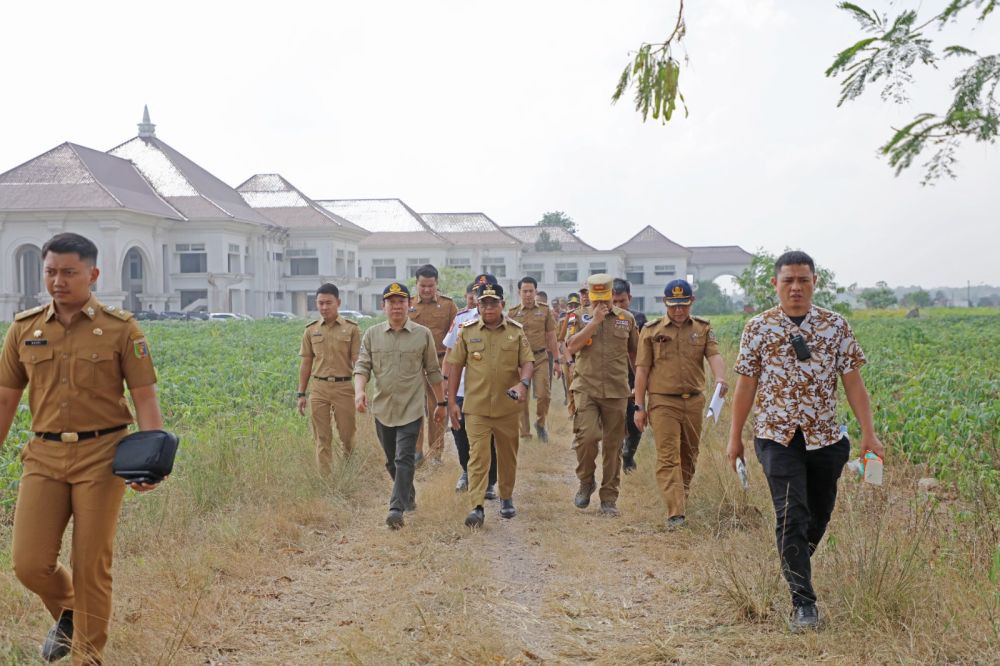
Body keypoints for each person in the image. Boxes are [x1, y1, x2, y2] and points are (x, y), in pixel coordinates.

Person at [0, 232, 164, 664]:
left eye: (68, 272)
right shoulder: (24, 329)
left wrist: (153, 461)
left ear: (92, 274)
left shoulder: (120, 329)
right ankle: (70, 613)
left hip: (103, 455)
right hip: (44, 456)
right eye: (51, 272)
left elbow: (144, 396)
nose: (58, 281)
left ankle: (87, 658)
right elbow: (5, 397)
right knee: (29, 563)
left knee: (91, 564)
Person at [727, 250, 883, 631]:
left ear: (815, 282)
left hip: (825, 438)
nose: (795, 287)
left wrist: (869, 433)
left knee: (818, 514)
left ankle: (793, 559)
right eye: (788, 281)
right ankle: (803, 603)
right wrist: (735, 438)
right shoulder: (758, 328)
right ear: (775, 284)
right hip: (776, 437)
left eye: (803, 280)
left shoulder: (836, 326)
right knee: (790, 514)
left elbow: (853, 383)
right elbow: (745, 386)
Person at [633, 279, 728, 529]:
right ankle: (675, 513)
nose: (678, 310)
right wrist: (639, 407)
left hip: (694, 402)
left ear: (691, 302)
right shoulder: (651, 331)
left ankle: (680, 500)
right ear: (665, 303)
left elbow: (714, 355)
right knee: (668, 457)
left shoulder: (703, 329)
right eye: (673, 305)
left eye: (683, 305)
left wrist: (720, 377)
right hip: (663, 402)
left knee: (689, 455)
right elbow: (641, 371)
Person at [354, 282, 446, 529]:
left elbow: (433, 371)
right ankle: (408, 494)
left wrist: (441, 403)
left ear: (409, 304)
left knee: (404, 458)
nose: (396, 306)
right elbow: (362, 367)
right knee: (390, 460)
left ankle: (396, 509)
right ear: (384, 306)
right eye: (391, 302)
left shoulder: (422, 334)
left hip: (411, 408)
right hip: (383, 408)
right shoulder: (372, 334)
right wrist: (360, 391)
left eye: (401, 301)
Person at [446, 282, 534, 528]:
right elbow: (455, 367)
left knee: (507, 455)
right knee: (478, 456)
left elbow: (528, 361)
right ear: (478, 305)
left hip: (507, 407)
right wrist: (451, 401)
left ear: (502, 305)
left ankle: (506, 497)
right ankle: (477, 506)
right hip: (476, 408)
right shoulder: (467, 331)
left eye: (493, 303)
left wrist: (523, 384)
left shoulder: (516, 332)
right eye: (484, 304)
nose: (488, 308)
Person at [565, 274, 638, 516]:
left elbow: (636, 356)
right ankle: (586, 482)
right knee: (586, 438)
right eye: (595, 299)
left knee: (613, 446)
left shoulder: (626, 320)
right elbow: (571, 347)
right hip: (585, 387)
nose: (600, 303)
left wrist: (639, 386)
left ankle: (608, 498)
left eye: (603, 298)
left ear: (610, 295)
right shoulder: (578, 316)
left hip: (617, 390)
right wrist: (594, 322)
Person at [442, 277, 499, 497]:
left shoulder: (504, 322)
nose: (478, 298)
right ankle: (467, 471)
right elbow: (449, 353)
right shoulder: (461, 319)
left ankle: (490, 481)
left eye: (483, 293)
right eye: (476, 294)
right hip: (462, 388)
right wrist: (446, 383)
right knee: (460, 434)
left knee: (489, 437)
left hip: (489, 390)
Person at [297, 283, 360, 475]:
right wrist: (301, 393)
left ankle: (348, 473)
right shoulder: (310, 331)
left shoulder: (351, 329)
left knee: (347, 436)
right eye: (320, 303)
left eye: (328, 303)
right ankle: (326, 479)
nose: (324, 307)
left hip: (344, 388)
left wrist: (360, 392)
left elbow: (358, 362)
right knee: (322, 438)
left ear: (338, 302)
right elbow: (306, 363)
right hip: (319, 389)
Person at [407, 264, 458, 465]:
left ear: (437, 284)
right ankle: (417, 450)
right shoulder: (408, 305)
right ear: (416, 284)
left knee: (437, 406)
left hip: (439, 362)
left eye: (430, 286)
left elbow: (455, 337)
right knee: (415, 408)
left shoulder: (448, 306)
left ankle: (436, 453)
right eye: (422, 286)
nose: (427, 290)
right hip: (414, 364)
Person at [506, 277, 559, 443]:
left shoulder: (544, 311)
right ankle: (525, 434)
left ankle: (541, 423)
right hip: (520, 362)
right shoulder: (512, 313)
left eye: (531, 291)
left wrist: (557, 360)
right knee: (520, 398)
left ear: (536, 292)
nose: (528, 294)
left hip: (540, 358)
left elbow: (551, 336)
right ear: (519, 292)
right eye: (524, 291)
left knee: (544, 395)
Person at [611, 278, 647, 473]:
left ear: (629, 298)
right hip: (612, 378)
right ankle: (615, 459)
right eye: (614, 302)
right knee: (615, 422)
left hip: (634, 377)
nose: (618, 306)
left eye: (622, 301)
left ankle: (628, 454)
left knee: (635, 422)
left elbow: (645, 350)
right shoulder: (602, 319)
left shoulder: (639, 319)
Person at [557, 292, 582, 410]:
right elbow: (559, 339)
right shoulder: (563, 319)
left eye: (576, 305)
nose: (573, 308)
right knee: (569, 383)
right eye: (571, 306)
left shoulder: (584, 318)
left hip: (581, 355)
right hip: (567, 356)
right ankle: (572, 409)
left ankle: (581, 408)